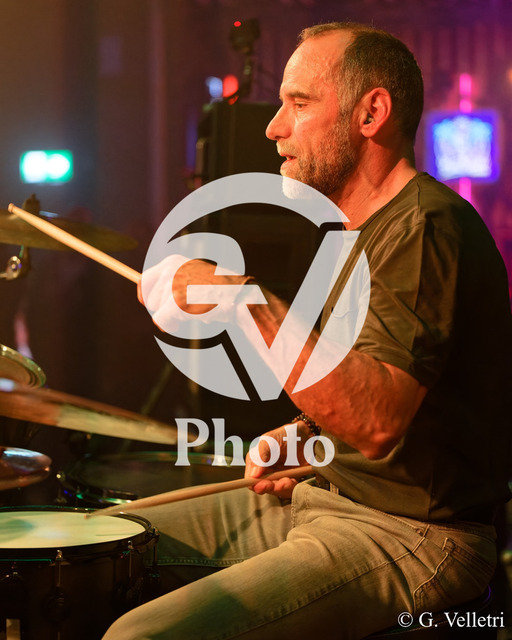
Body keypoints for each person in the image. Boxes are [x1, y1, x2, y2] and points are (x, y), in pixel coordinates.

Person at [103, 22, 512, 639]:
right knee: (106, 547)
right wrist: (303, 437)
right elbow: (382, 392)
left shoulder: (425, 228)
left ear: (371, 113)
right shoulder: (352, 232)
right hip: (330, 501)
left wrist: (240, 297)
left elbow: (377, 421)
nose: (273, 127)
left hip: (418, 536)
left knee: (139, 637)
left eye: (298, 103)